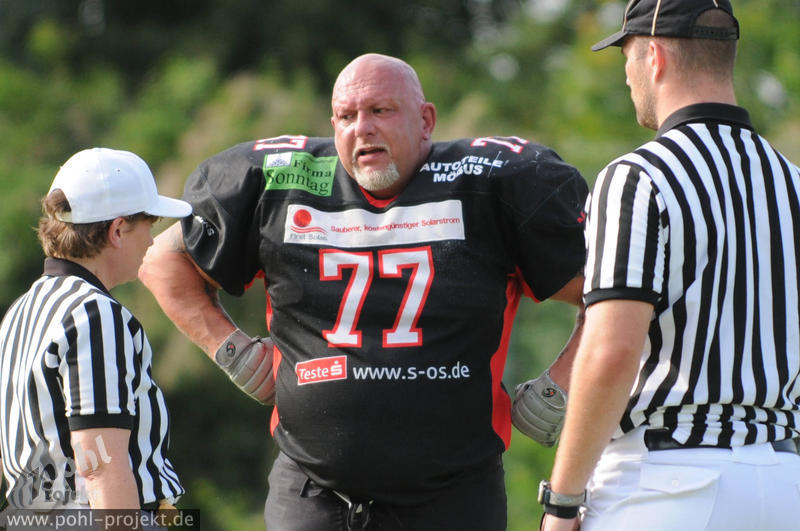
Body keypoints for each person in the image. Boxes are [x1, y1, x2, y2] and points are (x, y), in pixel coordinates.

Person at [139, 53, 588, 530]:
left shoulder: (491, 182)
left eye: (380, 110)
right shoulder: (280, 180)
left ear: (426, 120)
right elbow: (162, 260)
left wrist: (562, 382)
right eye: (347, 116)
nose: (363, 128)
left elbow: (613, 295)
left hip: (453, 496)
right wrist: (233, 352)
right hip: (312, 493)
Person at [539, 1, 800, 530]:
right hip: (784, 482)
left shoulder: (638, 177)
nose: (627, 76)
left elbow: (612, 352)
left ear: (654, 56)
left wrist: (562, 503)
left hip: (665, 482)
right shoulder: (793, 183)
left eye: (628, 57)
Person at [0, 148, 190, 527]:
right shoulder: (92, 312)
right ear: (117, 230)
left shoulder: (20, 311)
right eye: (148, 226)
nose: (151, 241)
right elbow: (101, 465)